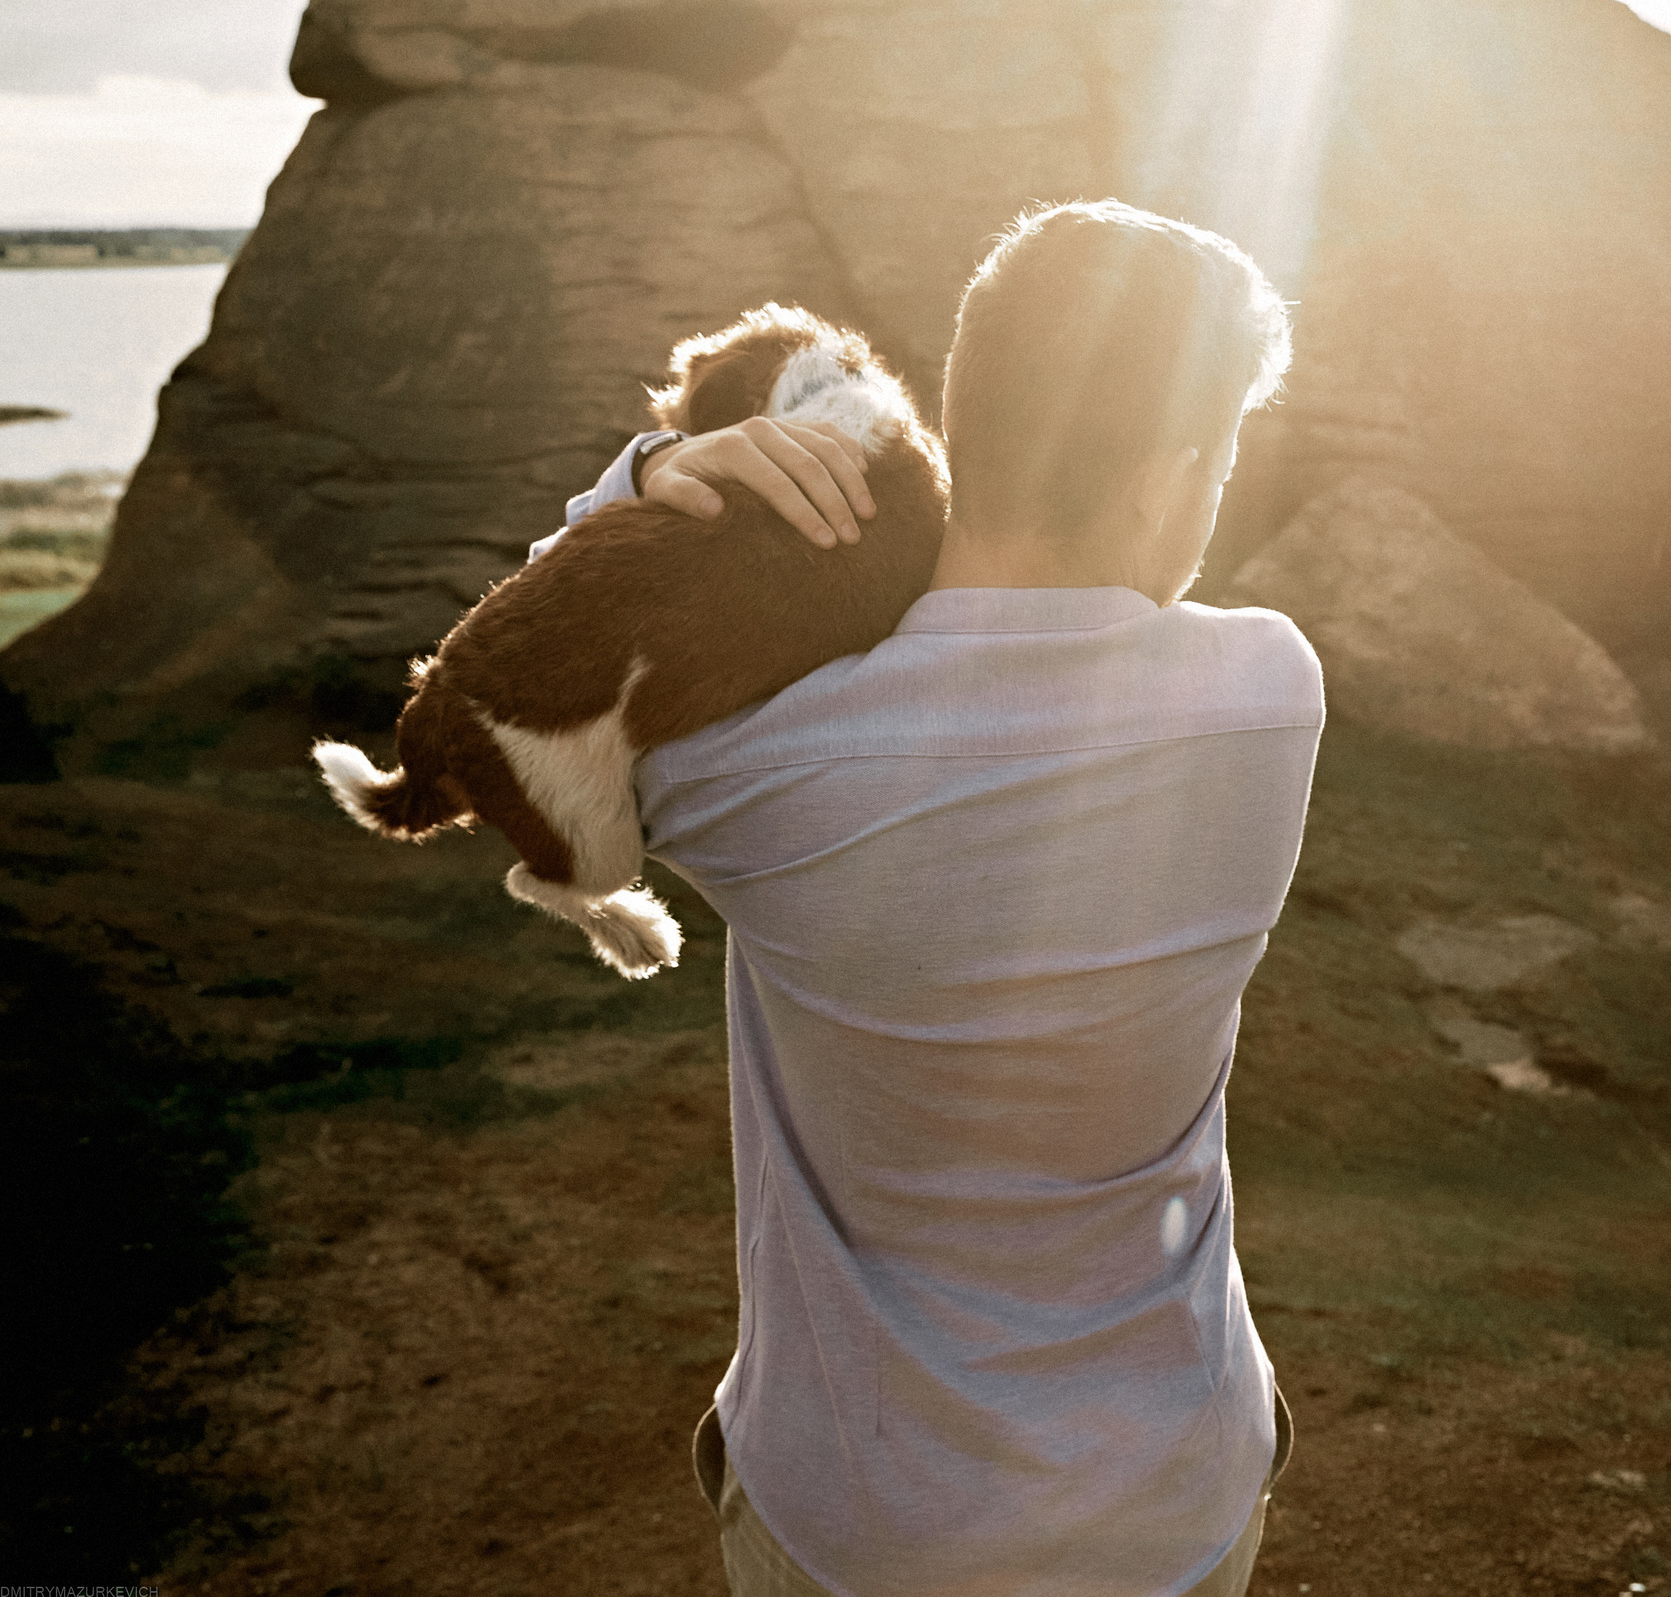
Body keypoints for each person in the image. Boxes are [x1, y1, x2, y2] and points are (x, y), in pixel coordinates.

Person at [535, 202, 1320, 1595]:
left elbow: (530, 683)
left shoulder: (742, 757)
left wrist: (655, 481)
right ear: (1161, 483)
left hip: (863, 1522)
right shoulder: (1266, 696)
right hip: (1171, 1501)